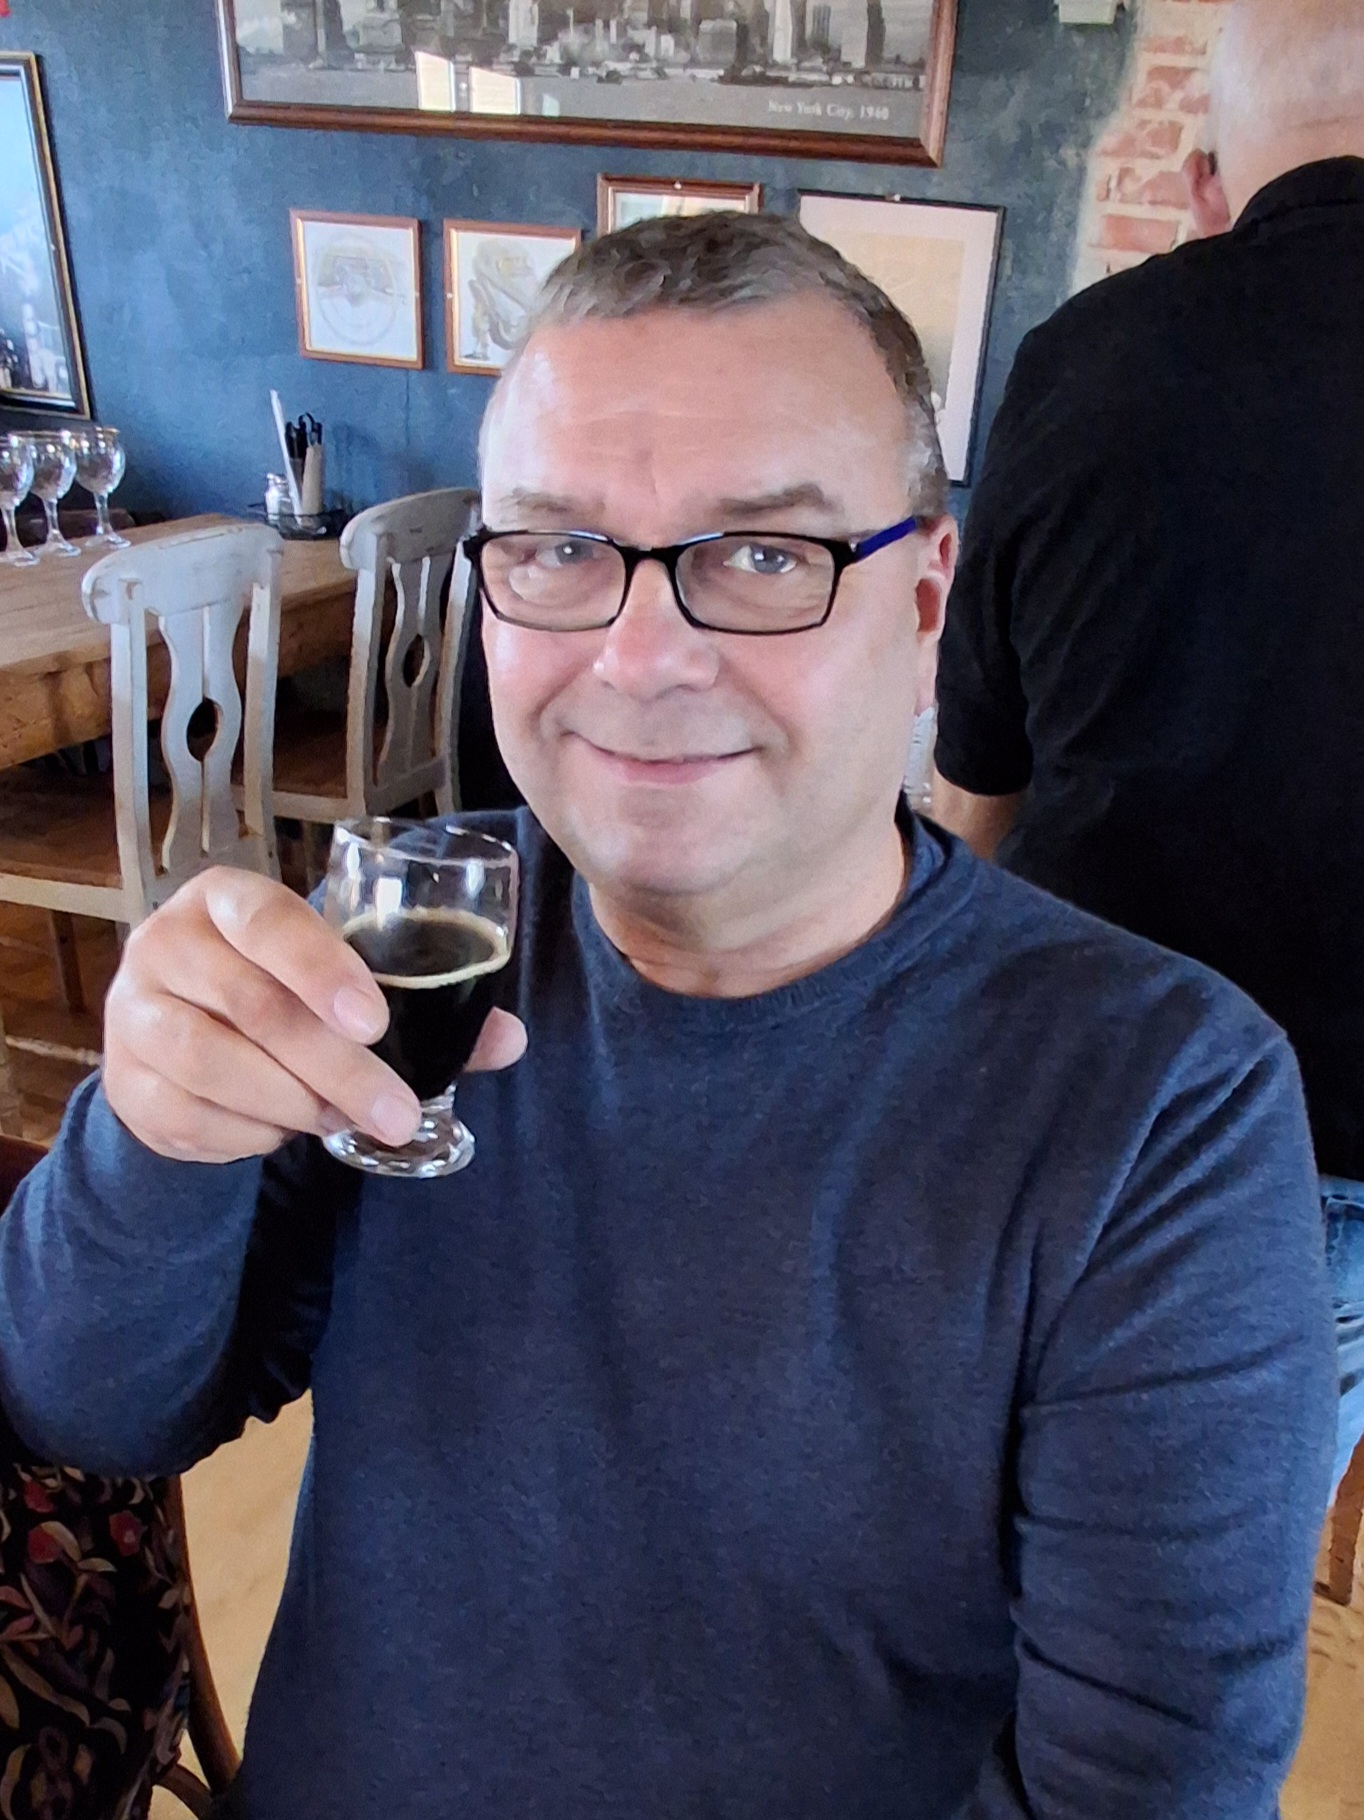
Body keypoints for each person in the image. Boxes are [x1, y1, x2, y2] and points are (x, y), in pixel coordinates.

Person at [0, 214, 1334, 1819]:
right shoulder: (409, 945)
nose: (640, 658)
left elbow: (1147, 1788)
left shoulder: (1162, 1104)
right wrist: (153, 1136)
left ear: (928, 611)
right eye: (561, 549)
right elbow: (96, 1406)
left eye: (763, 557)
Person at [932, 0, 1364, 1489]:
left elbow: (974, 781)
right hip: (1351, 1136)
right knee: (1218, 1540)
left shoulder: (1092, 355)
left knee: (981, 1475)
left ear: (1204, 185)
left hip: (1080, 1066)